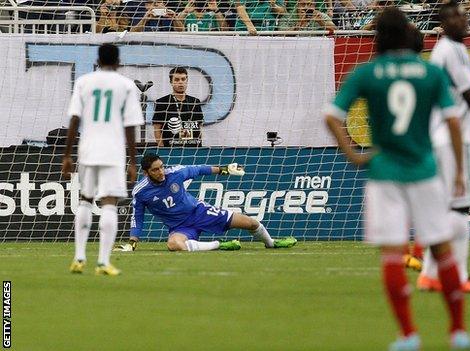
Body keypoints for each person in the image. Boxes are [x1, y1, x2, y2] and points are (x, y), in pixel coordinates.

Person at [325, 7, 470, 350]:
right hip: (424, 171)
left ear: (377, 36)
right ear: (408, 34)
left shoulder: (367, 72)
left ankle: (408, 335)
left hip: (384, 173)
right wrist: (460, 172)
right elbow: (453, 122)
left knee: (393, 255)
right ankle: (458, 331)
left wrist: (353, 154)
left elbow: (332, 116)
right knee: (442, 249)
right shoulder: (430, 73)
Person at [416, 0, 470, 294]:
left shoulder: (456, 49)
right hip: (454, 138)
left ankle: (429, 274)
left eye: (465, 15)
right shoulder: (448, 51)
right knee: (460, 207)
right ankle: (460, 276)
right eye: (457, 16)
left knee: (446, 209)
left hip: (449, 136)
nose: (464, 20)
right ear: (444, 22)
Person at [63, 43, 144, 276]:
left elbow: (74, 121)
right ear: (119, 62)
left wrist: (67, 154)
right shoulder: (126, 85)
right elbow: (130, 127)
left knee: (85, 200)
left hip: (87, 148)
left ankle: (79, 258)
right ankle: (102, 262)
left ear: (97, 61)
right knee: (109, 203)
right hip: (112, 151)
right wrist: (132, 161)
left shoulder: (83, 82)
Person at [115, 153, 297, 252]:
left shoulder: (175, 172)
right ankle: (219, 245)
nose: (161, 172)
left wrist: (224, 170)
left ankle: (271, 243)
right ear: (146, 173)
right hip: (180, 227)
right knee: (174, 245)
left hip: (200, 212)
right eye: (156, 170)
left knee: (251, 223)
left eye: (162, 167)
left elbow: (199, 169)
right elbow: (137, 218)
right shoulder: (141, 191)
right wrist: (132, 242)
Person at [153, 67, 204, 147]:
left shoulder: (195, 102)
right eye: (177, 80)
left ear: (187, 81)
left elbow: (200, 127)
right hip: (171, 150)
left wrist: (199, 145)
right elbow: (157, 128)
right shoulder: (162, 102)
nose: (180, 82)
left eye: (183, 79)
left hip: (193, 150)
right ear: (171, 82)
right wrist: (162, 150)